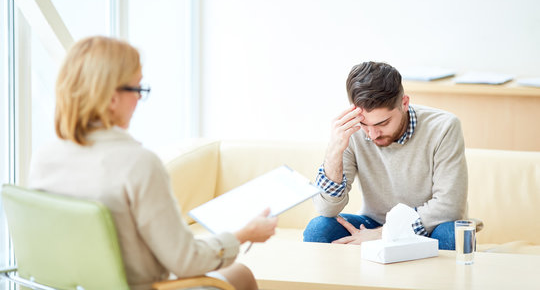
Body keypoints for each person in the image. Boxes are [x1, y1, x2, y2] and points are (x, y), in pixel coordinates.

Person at [29, 36, 278, 290]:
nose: (139, 100)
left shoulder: (43, 159)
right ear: (112, 98)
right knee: (241, 275)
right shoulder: (138, 165)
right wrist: (244, 233)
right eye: (137, 89)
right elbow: (186, 260)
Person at [303, 61, 467, 250]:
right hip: (371, 222)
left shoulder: (444, 127)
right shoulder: (352, 130)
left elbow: (449, 207)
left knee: (452, 234)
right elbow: (327, 209)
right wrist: (334, 150)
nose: (372, 135)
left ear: (404, 103)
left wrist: (384, 234)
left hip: (428, 226)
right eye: (365, 125)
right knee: (318, 229)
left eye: (382, 123)